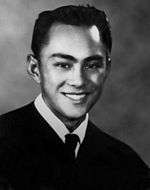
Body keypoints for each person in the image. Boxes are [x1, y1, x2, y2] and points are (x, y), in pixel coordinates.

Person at [0, 5, 149, 190]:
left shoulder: (127, 164)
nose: (78, 81)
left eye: (92, 65)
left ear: (107, 69)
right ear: (34, 68)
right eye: (63, 65)